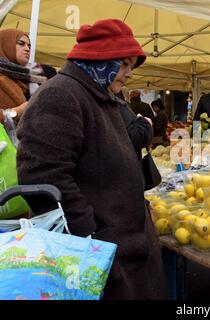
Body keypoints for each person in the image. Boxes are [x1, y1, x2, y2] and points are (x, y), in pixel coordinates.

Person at [16, 19, 168, 300]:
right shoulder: (61, 95)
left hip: (126, 250)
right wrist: (91, 239)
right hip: (103, 259)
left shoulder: (100, 95)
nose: (129, 73)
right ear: (100, 60)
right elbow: (42, 177)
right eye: (124, 64)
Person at [0, 29, 46, 124]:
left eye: (29, 46)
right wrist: (15, 112)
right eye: (21, 44)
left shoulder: (35, 76)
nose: (27, 49)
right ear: (6, 45)